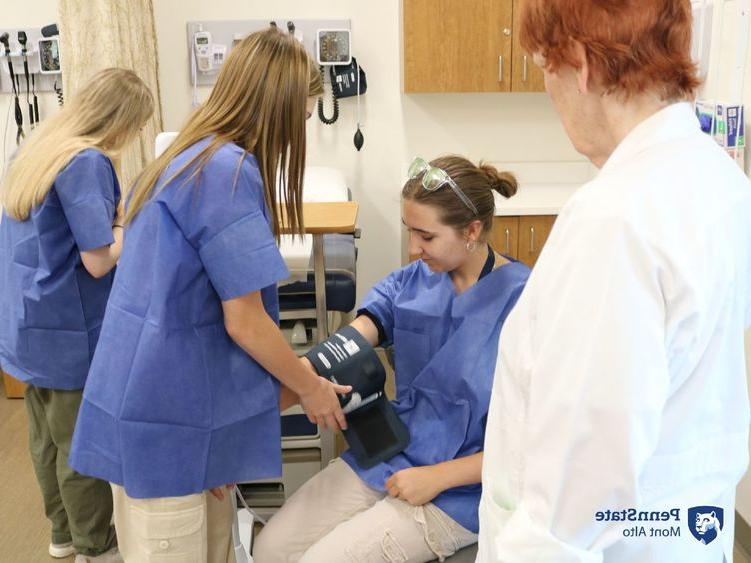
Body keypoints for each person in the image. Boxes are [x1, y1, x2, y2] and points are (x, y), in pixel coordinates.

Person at [478, 1, 751, 561]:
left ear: (579, 63)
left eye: (541, 68)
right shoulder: (719, 177)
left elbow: (570, 507)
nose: (548, 93)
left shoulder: (613, 220)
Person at [68, 28, 349, 563]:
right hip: (166, 422)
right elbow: (243, 320)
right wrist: (309, 387)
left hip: (163, 410)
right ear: (281, 107)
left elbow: (194, 317)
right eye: (305, 115)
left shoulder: (189, 156)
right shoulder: (226, 172)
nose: (302, 129)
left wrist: (218, 449)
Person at [254, 155, 531, 562]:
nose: (413, 248)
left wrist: (436, 478)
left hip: (463, 486)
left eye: (426, 236)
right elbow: (339, 350)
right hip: (391, 451)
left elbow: (535, 442)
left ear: (472, 230)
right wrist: (254, 415)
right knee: (271, 549)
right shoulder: (409, 284)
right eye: (409, 232)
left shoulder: (526, 304)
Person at [0, 68, 154, 562]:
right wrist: (132, 224)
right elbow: (98, 258)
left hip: (26, 322)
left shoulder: (39, 146)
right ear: (120, 121)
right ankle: (95, 546)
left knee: (44, 438)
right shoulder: (86, 161)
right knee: (80, 446)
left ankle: (63, 534)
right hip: (68, 328)